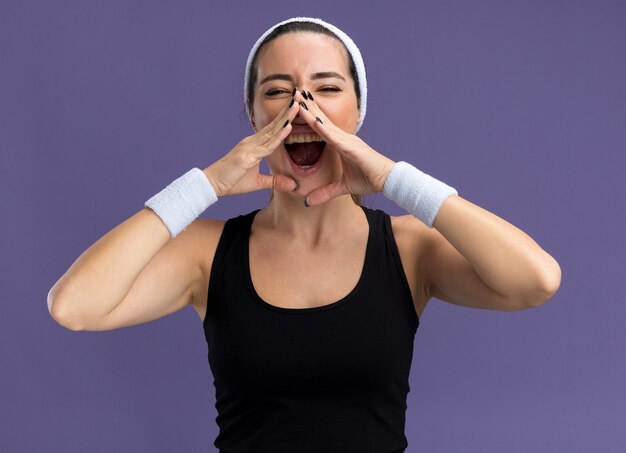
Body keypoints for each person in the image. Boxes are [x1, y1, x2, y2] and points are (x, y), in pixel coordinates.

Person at [47, 16, 562, 453]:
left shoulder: (410, 250)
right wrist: (203, 186)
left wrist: (392, 179)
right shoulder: (207, 253)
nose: (301, 106)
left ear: (357, 112)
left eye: (327, 88)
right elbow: (74, 306)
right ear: (253, 115)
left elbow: (535, 280)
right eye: (277, 91)